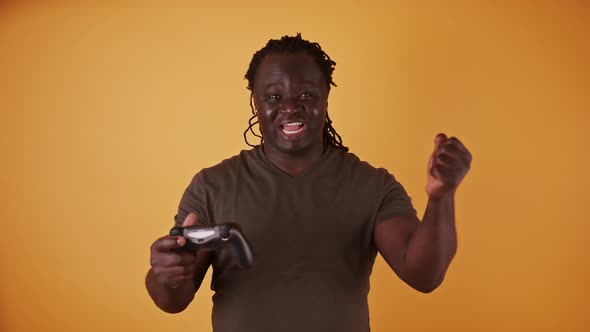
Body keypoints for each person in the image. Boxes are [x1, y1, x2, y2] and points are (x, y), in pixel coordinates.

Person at [145, 34, 472, 332]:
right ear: (255, 101)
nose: (290, 107)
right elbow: (172, 301)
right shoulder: (211, 186)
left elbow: (424, 276)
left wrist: (441, 198)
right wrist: (166, 274)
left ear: (325, 96)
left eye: (306, 94)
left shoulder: (373, 185)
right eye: (273, 96)